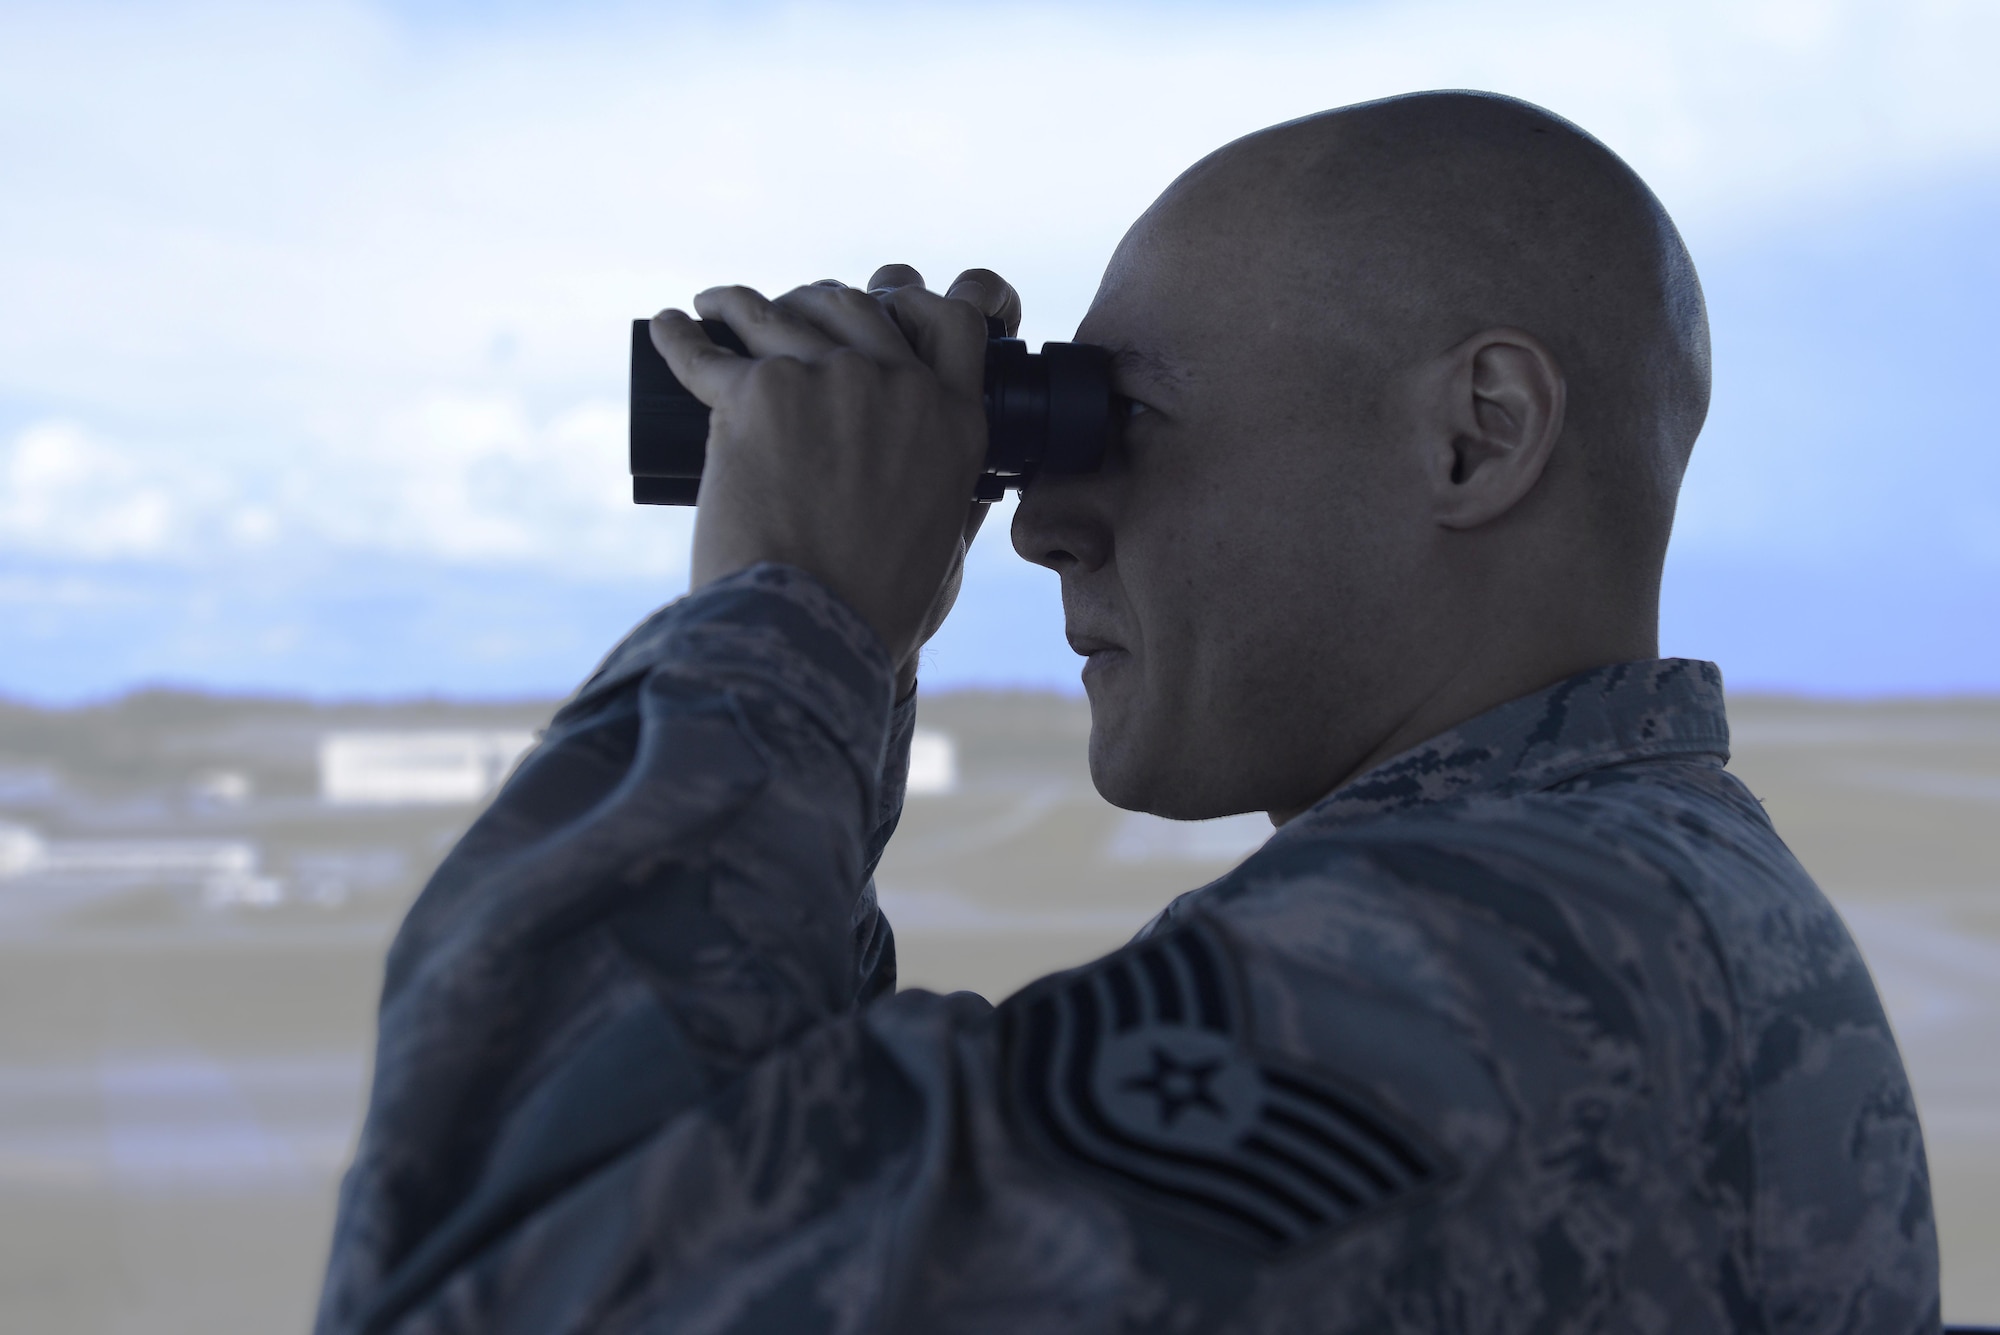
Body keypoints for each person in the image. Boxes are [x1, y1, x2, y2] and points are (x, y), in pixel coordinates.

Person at [315, 92, 1939, 1333]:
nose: (1037, 521)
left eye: (1126, 421)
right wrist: (857, 664)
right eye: (1044, 435)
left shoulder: (1486, 960)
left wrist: (788, 616)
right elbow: (790, 1165)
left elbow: (506, 1280)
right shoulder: (1648, 897)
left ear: (1475, 437)